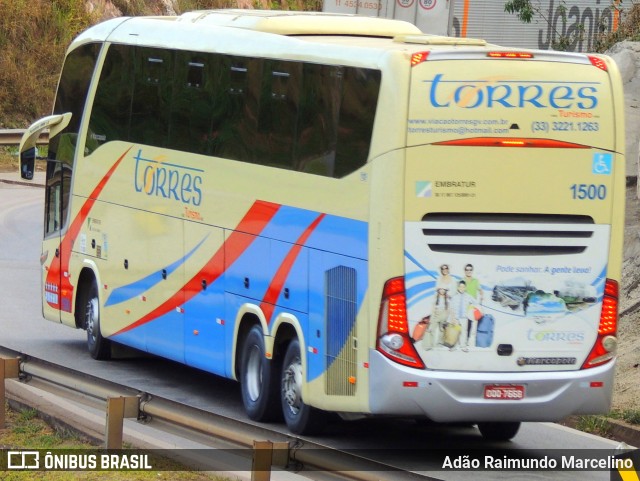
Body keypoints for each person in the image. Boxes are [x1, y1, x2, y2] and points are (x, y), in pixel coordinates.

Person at [450, 280, 476, 351]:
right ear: (458, 287)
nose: (462, 288)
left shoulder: (468, 296)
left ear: (465, 288)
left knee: (464, 332)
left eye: (463, 287)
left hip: (464, 318)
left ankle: (463, 346)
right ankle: (454, 346)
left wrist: (471, 308)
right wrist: (453, 318)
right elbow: (451, 308)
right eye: (460, 287)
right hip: (456, 318)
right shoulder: (454, 297)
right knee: (456, 332)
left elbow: (475, 303)